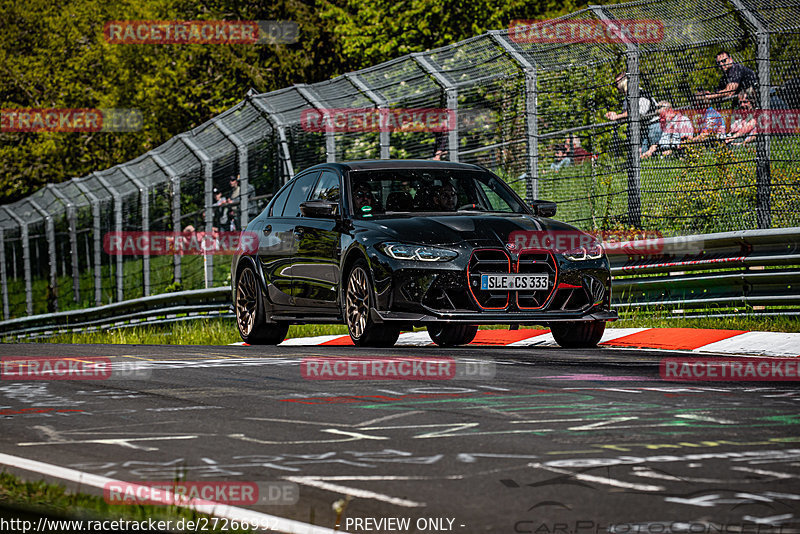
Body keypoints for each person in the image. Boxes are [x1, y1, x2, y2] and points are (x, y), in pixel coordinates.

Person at [605, 72, 662, 155]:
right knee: (641, 154)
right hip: (643, 127)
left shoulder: (639, 93)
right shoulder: (627, 97)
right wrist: (615, 115)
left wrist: (617, 116)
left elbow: (636, 112)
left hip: (653, 125)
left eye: (618, 83)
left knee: (652, 153)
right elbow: (626, 113)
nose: (616, 86)